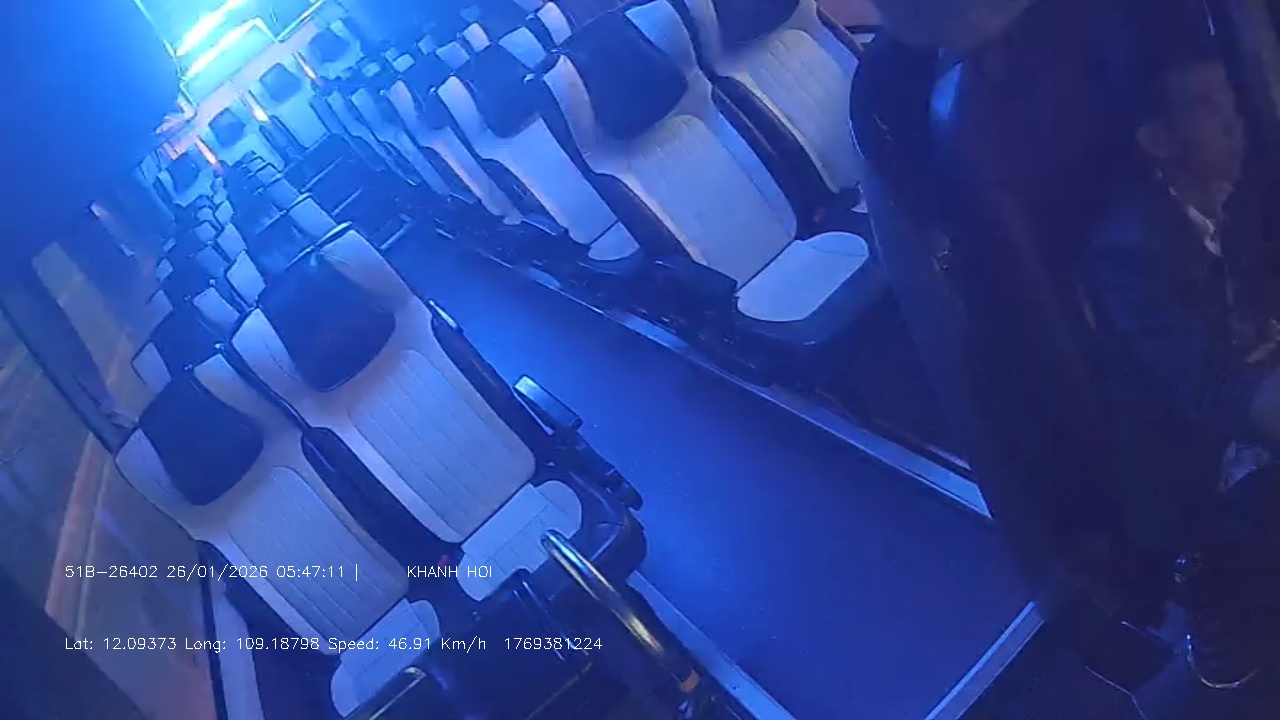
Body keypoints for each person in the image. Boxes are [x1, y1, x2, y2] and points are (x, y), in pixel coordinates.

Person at [1082, 36, 1280, 686]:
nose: (1233, 120)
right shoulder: (1129, 249)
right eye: (1207, 107)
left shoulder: (1233, 185)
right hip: (1199, 455)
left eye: (1231, 102)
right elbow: (1208, 389)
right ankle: (1222, 611)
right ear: (1159, 140)